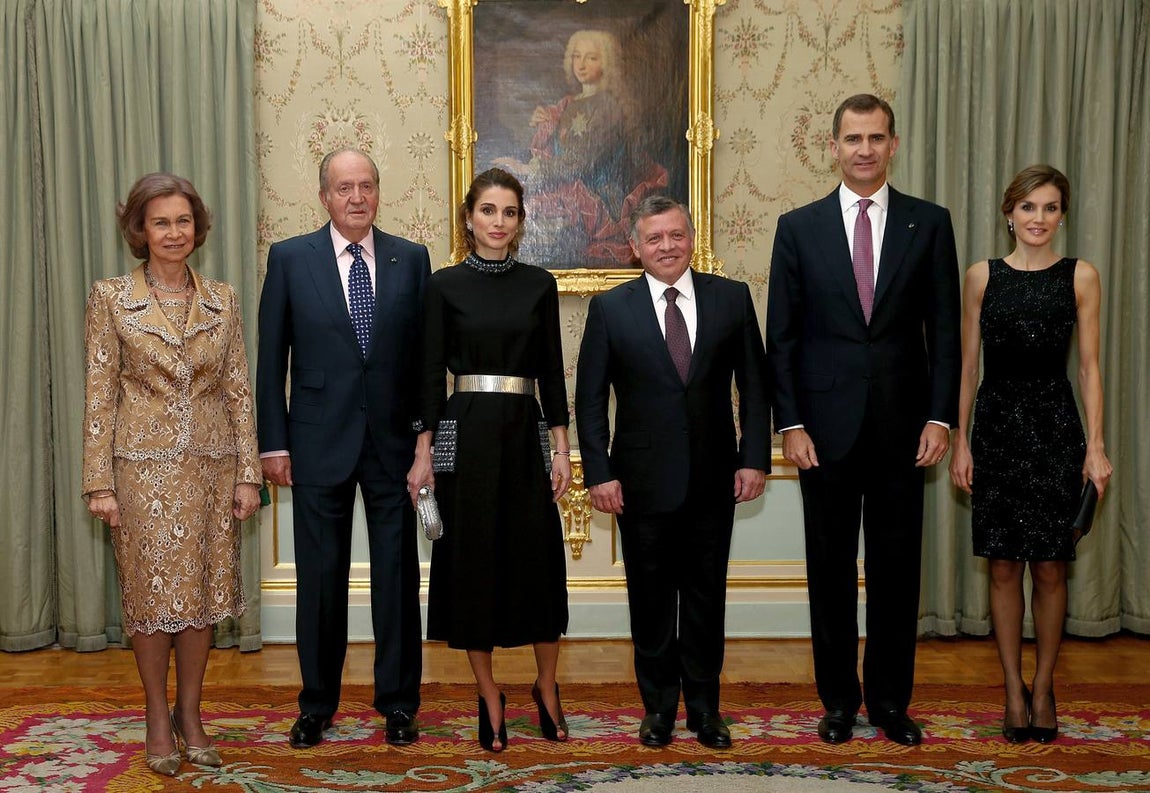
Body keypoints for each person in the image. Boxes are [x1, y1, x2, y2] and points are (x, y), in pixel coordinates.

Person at [765, 94, 961, 746]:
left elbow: (948, 331)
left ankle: (889, 701)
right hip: (823, 432)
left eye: (877, 137)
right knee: (829, 570)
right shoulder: (799, 227)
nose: (865, 149)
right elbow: (782, 337)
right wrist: (789, 423)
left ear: (894, 145)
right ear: (834, 146)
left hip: (907, 432)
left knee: (898, 570)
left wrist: (941, 418)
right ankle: (839, 702)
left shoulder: (929, 224)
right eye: (853, 138)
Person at [82, 172, 262, 776]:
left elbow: (239, 390)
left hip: (212, 472)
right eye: (161, 222)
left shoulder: (224, 300)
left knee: (203, 600)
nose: (174, 232)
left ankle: (192, 714)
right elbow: (100, 395)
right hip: (141, 475)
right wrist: (98, 483)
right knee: (152, 600)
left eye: (183, 221)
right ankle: (158, 716)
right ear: (140, 229)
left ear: (198, 228)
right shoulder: (111, 298)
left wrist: (247, 474)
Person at [575, 195, 770, 748]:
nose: (667, 247)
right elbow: (589, 402)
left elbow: (755, 388)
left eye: (676, 235)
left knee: (707, 597)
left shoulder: (731, 299)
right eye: (654, 239)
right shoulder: (612, 309)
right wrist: (599, 473)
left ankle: (706, 710)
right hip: (638, 485)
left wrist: (754, 458)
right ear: (636, 247)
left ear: (692, 238)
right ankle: (658, 708)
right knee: (652, 600)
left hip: (715, 479)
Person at [256, 149, 431, 749]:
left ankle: (399, 704)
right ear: (324, 196)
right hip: (314, 444)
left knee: (397, 580)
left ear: (378, 193)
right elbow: (269, 359)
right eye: (344, 188)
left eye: (366, 187)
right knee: (320, 580)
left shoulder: (412, 259)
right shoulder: (288, 259)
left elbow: (424, 363)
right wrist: (272, 444)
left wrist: (424, 444)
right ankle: (316, 705)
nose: (357, 198)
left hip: (393, 447)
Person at [949, 165, 1112, 744]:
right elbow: (968, 367)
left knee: (1048, 566)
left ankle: (1044, 687)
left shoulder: (1081, 277)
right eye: (1028, 208)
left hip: (1055, 428)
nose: (1038, 218)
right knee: (1001, 566)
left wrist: (1095, 447)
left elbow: (1090, 368)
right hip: (994, 427)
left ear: (1061, 215)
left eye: (1049, 208)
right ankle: (1012, 690)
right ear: (1008, 214)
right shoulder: (980, 277)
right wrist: (961, 440)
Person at [415, 168, 571, 752]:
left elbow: (552, 369)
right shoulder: (442, 285)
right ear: (468, 217)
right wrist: (422, 450)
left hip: (525, 432)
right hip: (463, 436)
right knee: (471, 564)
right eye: (487, 210)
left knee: (537, 563)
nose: (498, 222)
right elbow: (430, 373)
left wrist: (561, 448)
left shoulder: (539, 284)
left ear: (520, 221)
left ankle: (547, 687)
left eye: (508, 212)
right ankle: (488, 695)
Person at [493, 29, 666, 265]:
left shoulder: (607, 106)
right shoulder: (567, 105)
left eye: (591, 57)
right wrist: (543, 123)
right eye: (577, 56)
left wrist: (527, 170)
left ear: (606, 63)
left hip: (597, 194)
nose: (581, 64)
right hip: (567, 183)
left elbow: (581, 161)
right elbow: (552, 147)